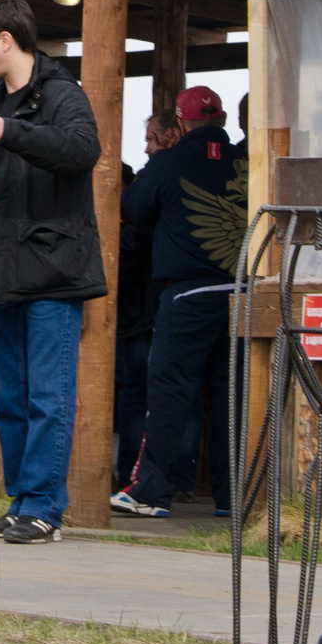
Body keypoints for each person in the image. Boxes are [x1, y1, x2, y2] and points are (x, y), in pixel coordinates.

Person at [0, 0, 105, 545]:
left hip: (53, 269)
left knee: (49, 393)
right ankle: (23, 500)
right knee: (11, 396)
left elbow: (82, 150)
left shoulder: (61, 92)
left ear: (4, 40)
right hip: (0, 267)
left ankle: (46, 507)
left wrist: (6, 131)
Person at [114, 85, 245, 520]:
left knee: (169, 391)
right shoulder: (247, 162)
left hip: (186, 293)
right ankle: (231, 498)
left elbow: (133, 206)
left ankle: (150, 491)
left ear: (183, 123)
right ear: (222, 119)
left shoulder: (168, 163)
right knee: (230, 397)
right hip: (242, 294)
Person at [114, 111, 184, 487]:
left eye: (151, 139)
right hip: (155, 308)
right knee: (180, 391)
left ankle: (131, 476)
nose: (146, 148)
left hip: (141, 315)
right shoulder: (175, 189)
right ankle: (179, 481)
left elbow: (129, 254)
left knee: (137, 395)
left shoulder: (139, 214)